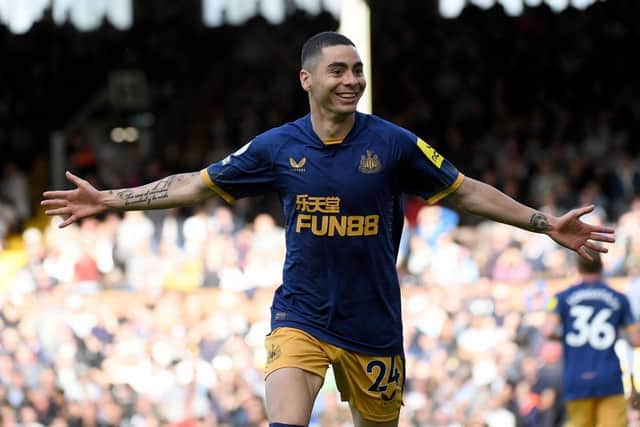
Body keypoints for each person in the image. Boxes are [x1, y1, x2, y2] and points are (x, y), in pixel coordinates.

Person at [42, 31, 616, 427]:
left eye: (358, 70)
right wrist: (109, 199)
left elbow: (464, 189)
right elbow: (196, 184)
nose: (352, 80)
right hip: (302, 316)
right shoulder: (277, 146)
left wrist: (543, 225)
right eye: (338, 70)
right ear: (307, 80)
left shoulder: (393, 143)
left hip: (374, 326)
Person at [542, 248, 640, 427]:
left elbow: (547, 331)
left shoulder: (560, 297)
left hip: (576, 377)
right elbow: (636, 339)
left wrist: (565, 336)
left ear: (578, 267)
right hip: (609, 375)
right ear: (601, 266)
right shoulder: (620, 298)